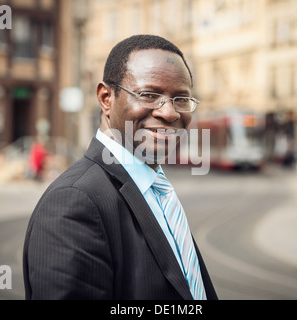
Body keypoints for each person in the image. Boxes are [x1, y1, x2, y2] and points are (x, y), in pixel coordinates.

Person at [22, 35, 218, 300]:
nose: (170, 113)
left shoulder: (155, 188)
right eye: (149, 95)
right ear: (106, 98)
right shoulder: (74, 201)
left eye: (181, 99)